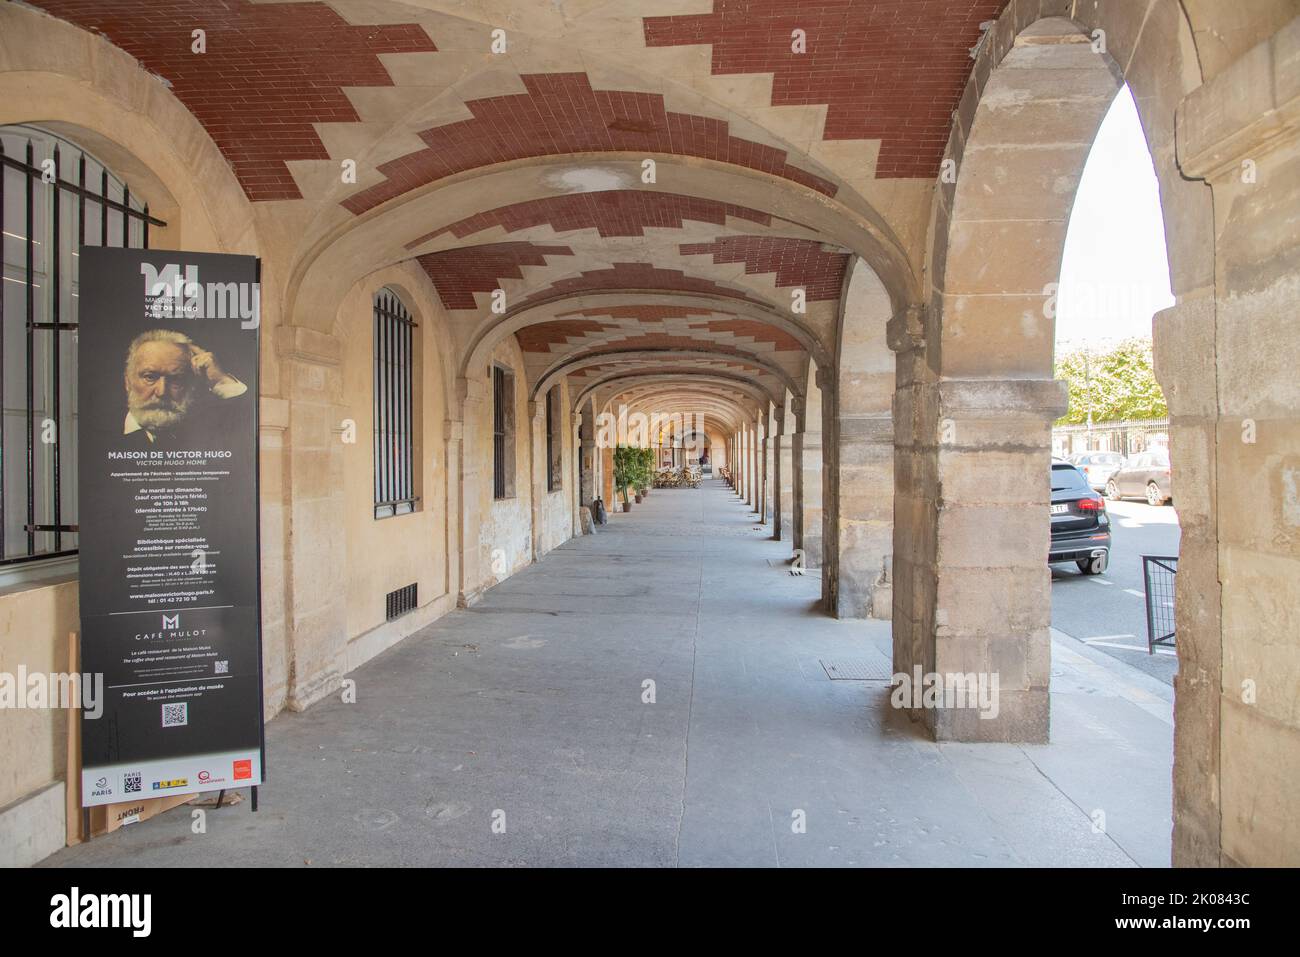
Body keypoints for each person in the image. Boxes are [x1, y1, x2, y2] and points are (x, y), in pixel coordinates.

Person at [122, 329, 246, 445]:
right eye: (150, 377)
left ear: (192, 384)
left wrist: (220, 381)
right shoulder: (103, 436)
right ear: (128, 382)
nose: (162, 392)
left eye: (176, 379)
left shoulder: (211, 434)